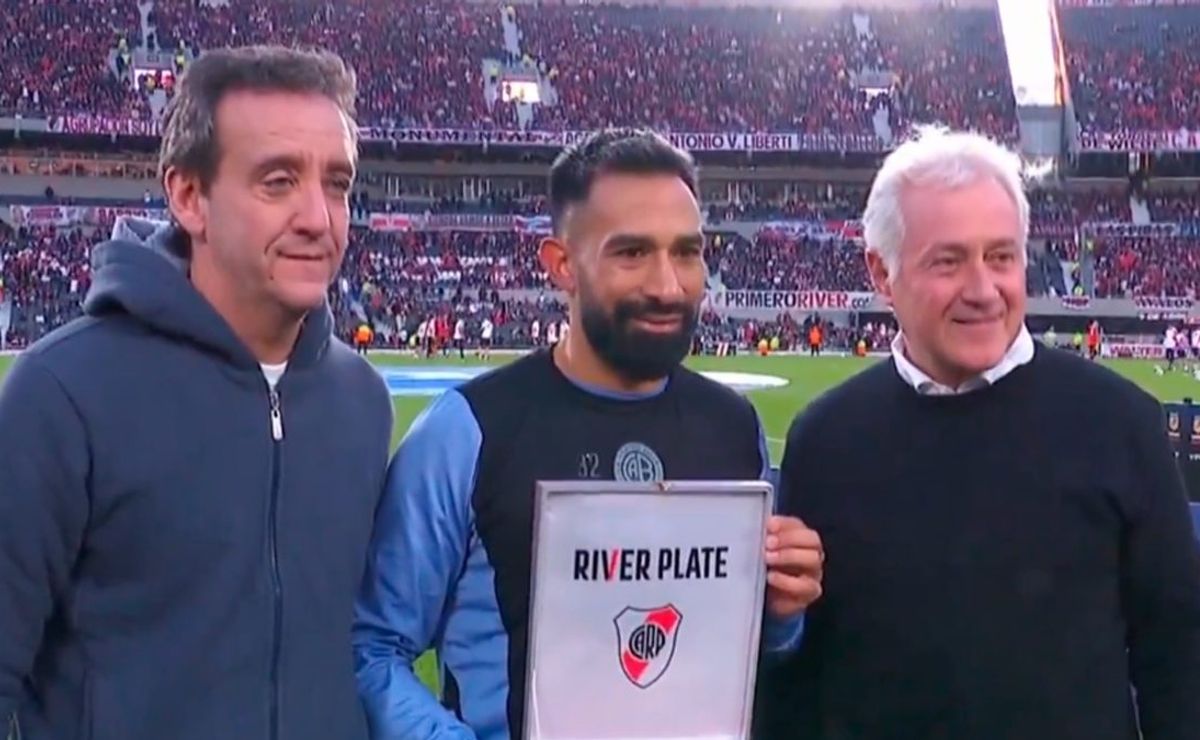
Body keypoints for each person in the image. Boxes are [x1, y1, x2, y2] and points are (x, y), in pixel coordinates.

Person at [354, 128, 824, 740]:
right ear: (561, 265)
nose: (667, 285)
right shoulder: (468, 431)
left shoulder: (733, 428)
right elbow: (376, 647)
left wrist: (782, 609)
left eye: (687, 252)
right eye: (631, 253)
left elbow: (742, 648)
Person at [0, 46, 393, 740]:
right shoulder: (62, 394)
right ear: (188, 198)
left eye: (336, 183)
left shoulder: (359, 399)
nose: (318, 217)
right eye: (277, 181)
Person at [756, 127, 1200, 740]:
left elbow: (1177, 654)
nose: (983, 290)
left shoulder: (1122, 422)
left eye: (1001, 257)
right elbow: (798, 673)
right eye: (948, 260)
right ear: (882, 274)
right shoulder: (825, 438)